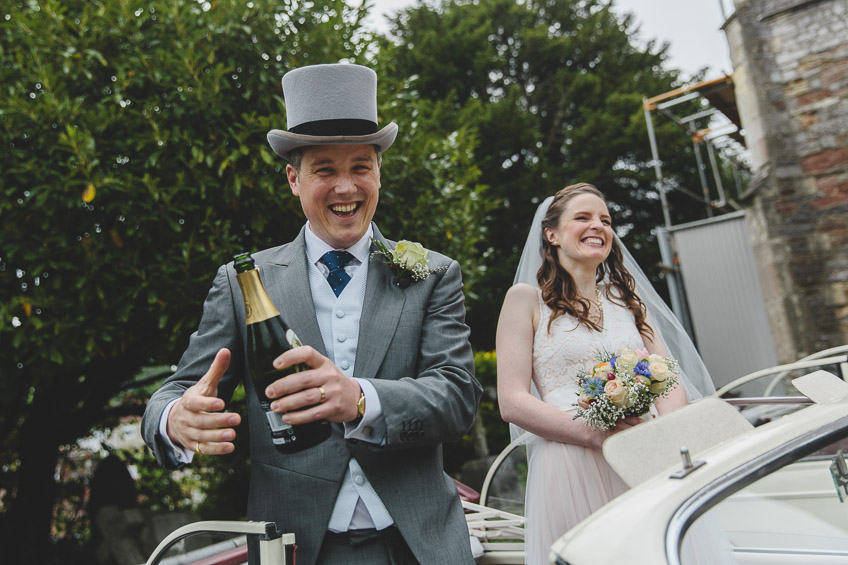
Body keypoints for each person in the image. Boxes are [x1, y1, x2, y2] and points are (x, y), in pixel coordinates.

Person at [141, 63, 482, 565]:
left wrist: (360, 399)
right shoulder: (243, 282)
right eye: (325, 169)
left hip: (420, 546)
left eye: (361, 167)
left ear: (379, 173)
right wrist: (174, 419)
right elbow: (176, 390)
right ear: (293, 179)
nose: (346, 187)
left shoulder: (433, 274)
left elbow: (457, 396)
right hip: (298, 548)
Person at [495, 183, 717, 565]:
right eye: (582, 217)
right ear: (552, 234)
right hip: (570, 460)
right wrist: (596, 435)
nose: (598, 225)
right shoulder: (525, 299)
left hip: (639, 452)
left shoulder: (627, 300)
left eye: (605, 220)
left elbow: (666, 377)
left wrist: (665, 436)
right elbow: (512, 401)